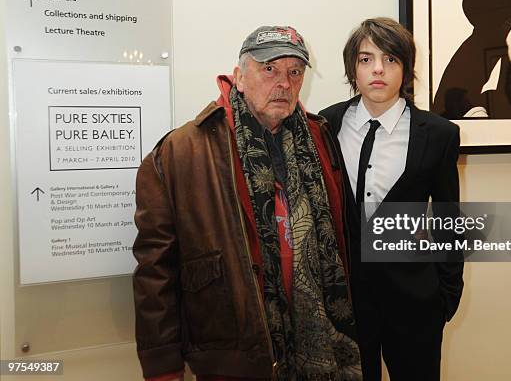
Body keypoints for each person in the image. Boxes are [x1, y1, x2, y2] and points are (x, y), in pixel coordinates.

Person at [132, 25, 362, 381]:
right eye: (269, 68)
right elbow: (155, 270)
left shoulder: (320, 139)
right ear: (239, 76)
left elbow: (344, 239)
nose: (284, 82)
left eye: (295, 72)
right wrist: (162, 366)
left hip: (322, 350)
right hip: (232, 355)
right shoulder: (182, 152)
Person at [320, 18, 463, 381]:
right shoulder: (325, 125)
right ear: (353, 67)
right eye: (366, 60)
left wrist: (446, 295)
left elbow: (448, 219)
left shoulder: (438, 135)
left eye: (390, 59)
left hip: (415, 301)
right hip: (346, 303)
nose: (378, 70)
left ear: (406, 68)